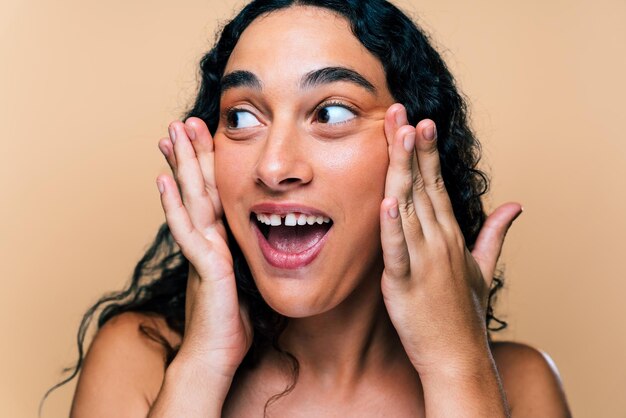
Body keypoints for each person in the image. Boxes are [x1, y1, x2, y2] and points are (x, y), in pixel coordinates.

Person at [56, 0, 571, 416]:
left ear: (416, 151)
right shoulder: (141, 358)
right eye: (240, 117)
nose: (274, 166)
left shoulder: (519, 386)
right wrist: (203, 365)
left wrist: (456, 366)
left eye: (331, 112)